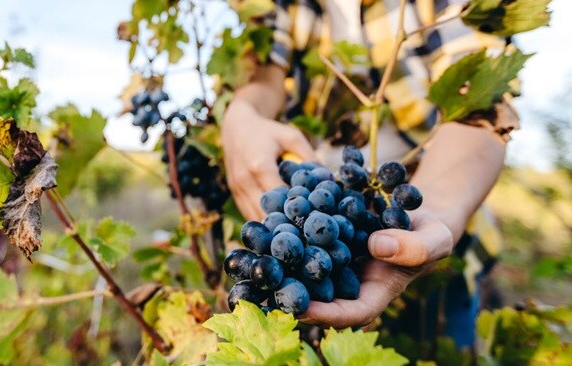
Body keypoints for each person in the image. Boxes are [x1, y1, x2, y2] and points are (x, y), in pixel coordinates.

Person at [220, 0, 519, 348]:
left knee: (443, 341)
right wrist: (242, 113)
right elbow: (264, 78)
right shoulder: (284, 5)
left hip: (441, 246)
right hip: (332, 227)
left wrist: (437, 207)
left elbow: (479, 108)